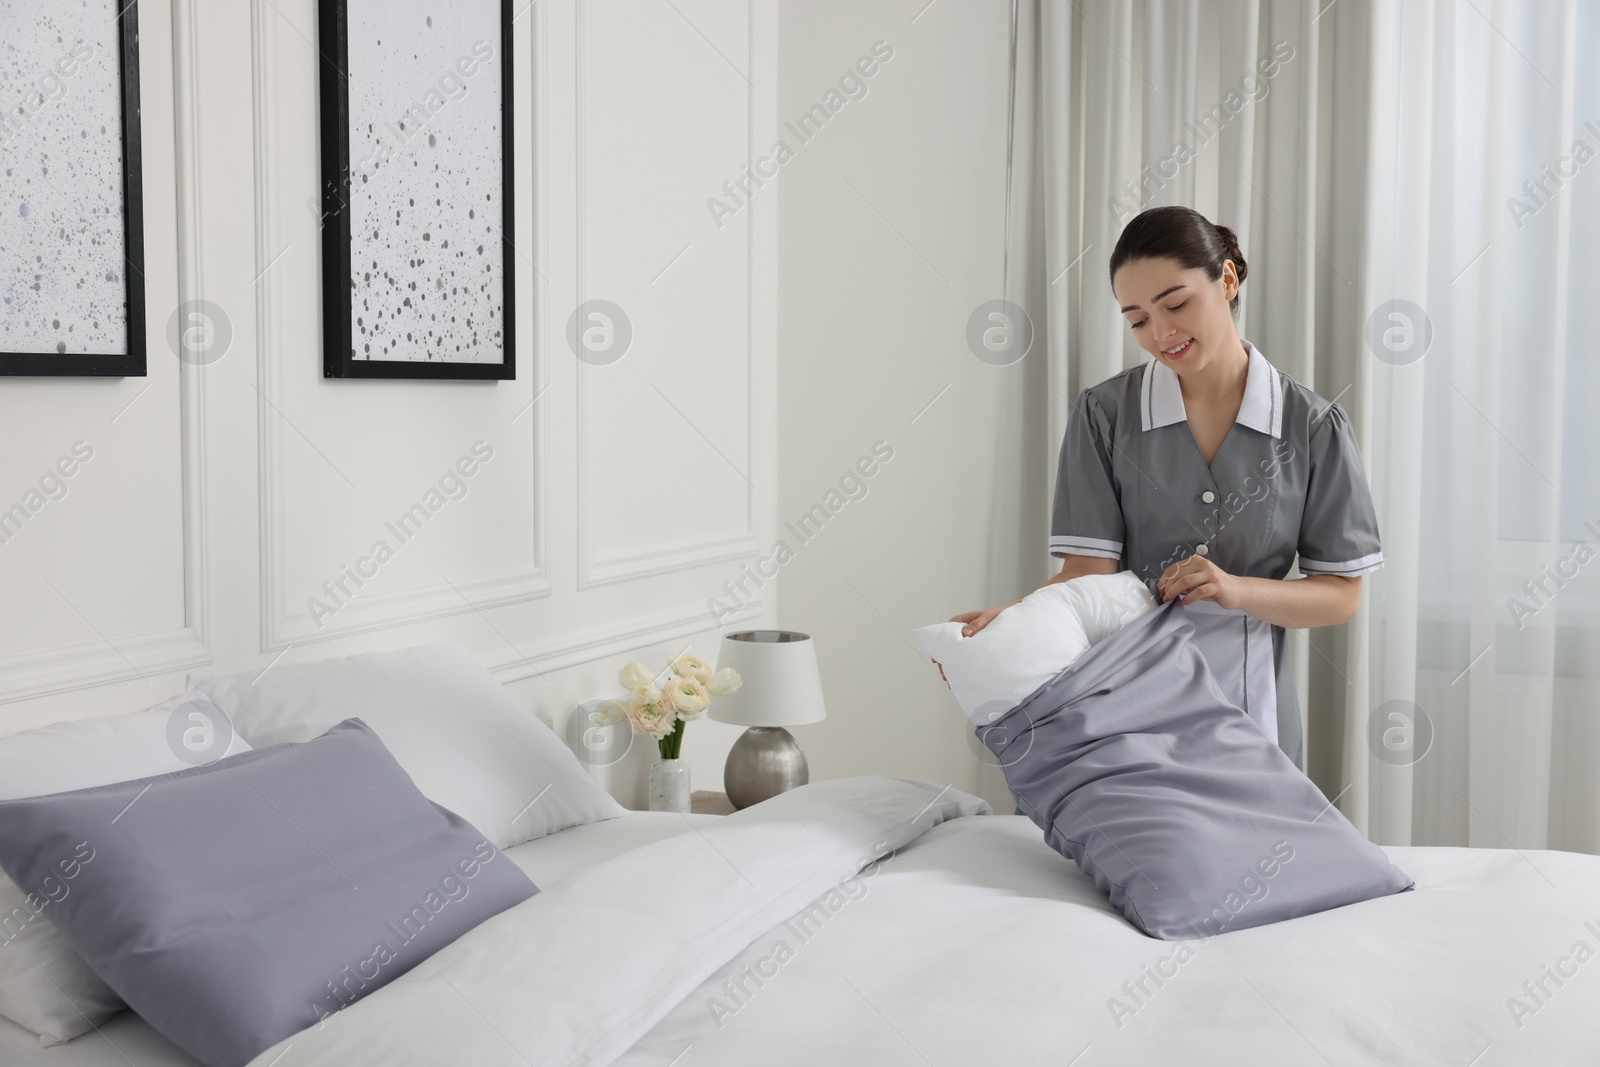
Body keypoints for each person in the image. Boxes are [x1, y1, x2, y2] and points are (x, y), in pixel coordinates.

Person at [951, 205, 1383, 770]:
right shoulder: (1105, 416)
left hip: (1255, 716)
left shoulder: (1311, 426)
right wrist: (1005, 620)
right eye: (1137, 320)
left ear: (1227, 280)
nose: (1162, 334)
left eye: (1176, 304)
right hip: (1123, 707)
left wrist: (1236, 590)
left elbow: (1341, 595)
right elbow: (1087, 577)